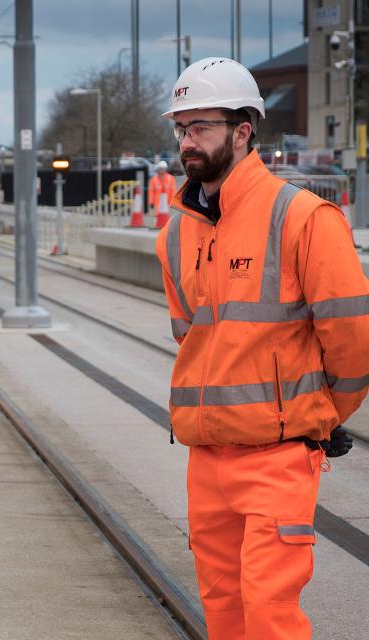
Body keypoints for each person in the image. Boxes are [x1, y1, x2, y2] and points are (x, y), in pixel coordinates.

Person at [156, 57, 367, 639]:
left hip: (277, 454)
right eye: (181, 128)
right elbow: (192, 340)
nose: (187, 142)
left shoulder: (303, 218)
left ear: (243, 131)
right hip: (207, 457)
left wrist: (321, 416)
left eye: (201, 127)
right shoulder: (176, 231)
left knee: (271, 615)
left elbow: (353, 341)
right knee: (223, 612)